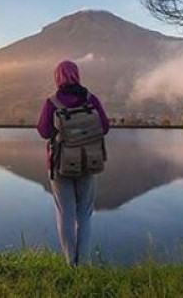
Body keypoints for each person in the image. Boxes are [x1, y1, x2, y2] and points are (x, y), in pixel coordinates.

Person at [36, 60, 110, 266]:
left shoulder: (52, 102)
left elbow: (43, 131)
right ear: (77, 75)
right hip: (88, 162)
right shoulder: (90, 99)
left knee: (65, 214)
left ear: (57, 77)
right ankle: (84, 263)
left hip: (60, 165)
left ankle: (71, 265)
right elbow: (104, 126)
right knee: (85, 214)